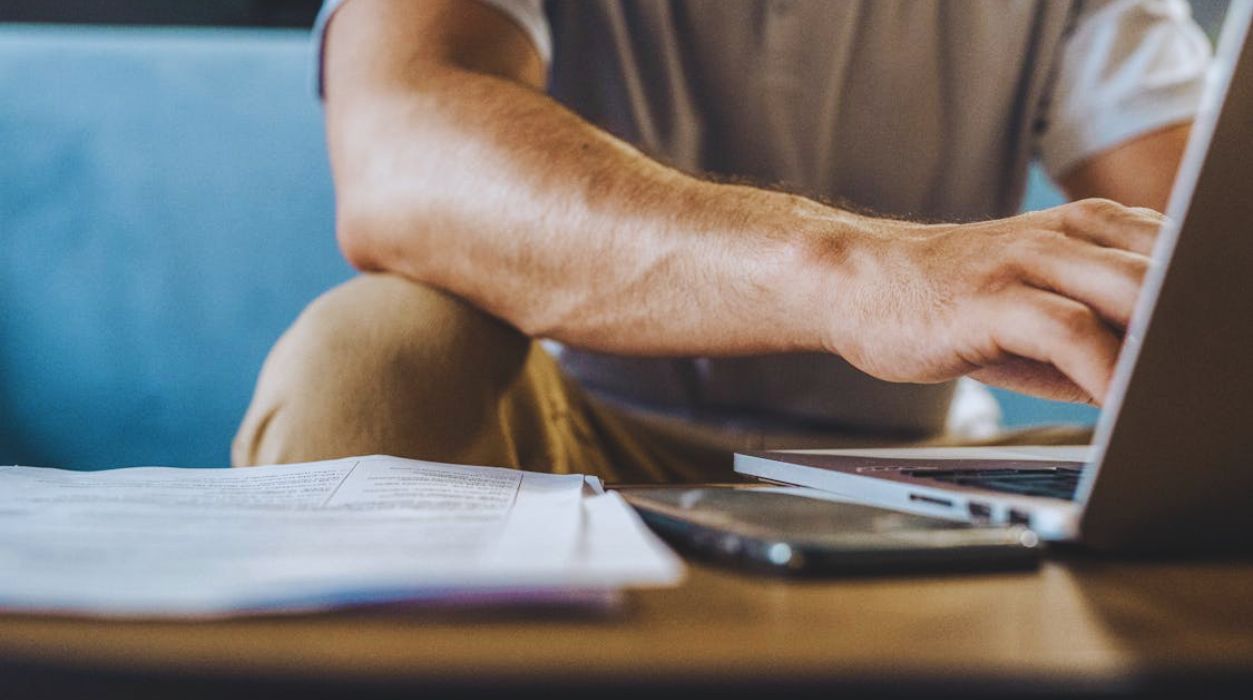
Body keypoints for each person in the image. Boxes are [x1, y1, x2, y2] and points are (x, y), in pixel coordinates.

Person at [234, 0, 1213, 482]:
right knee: (371, 361)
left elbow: (1206, 241)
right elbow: (399, 148)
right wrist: (857, 273)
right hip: (567, 447)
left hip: (916, 471)